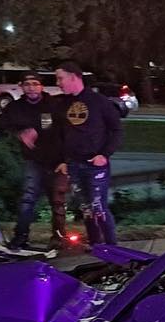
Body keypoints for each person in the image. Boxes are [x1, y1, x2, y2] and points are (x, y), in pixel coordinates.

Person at [0, 74, 67, 251]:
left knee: (57, 202)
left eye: (35, 84)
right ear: (22, 87)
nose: (31, 87)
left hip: (57, 160)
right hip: (34, 160)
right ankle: (21, 237)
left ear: (41, 87)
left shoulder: (53, 105)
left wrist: (37, 132)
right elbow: (0, 122)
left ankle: (59, 239)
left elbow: (63, 130)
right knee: (27, 198)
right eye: (27, 84)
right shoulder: (16, 107)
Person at [51, 60, 120, 245]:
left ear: (73, 77)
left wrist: (104, 154)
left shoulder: (99, 101)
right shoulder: (62, 104)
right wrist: (62, 160)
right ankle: (96, 246)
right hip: (74, 165)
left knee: (99, 208)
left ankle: (113, 248)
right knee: (86, 209)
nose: (58, 83)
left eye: (60, 78)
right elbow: (58, 134)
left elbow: (116, 129)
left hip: (95, 165)